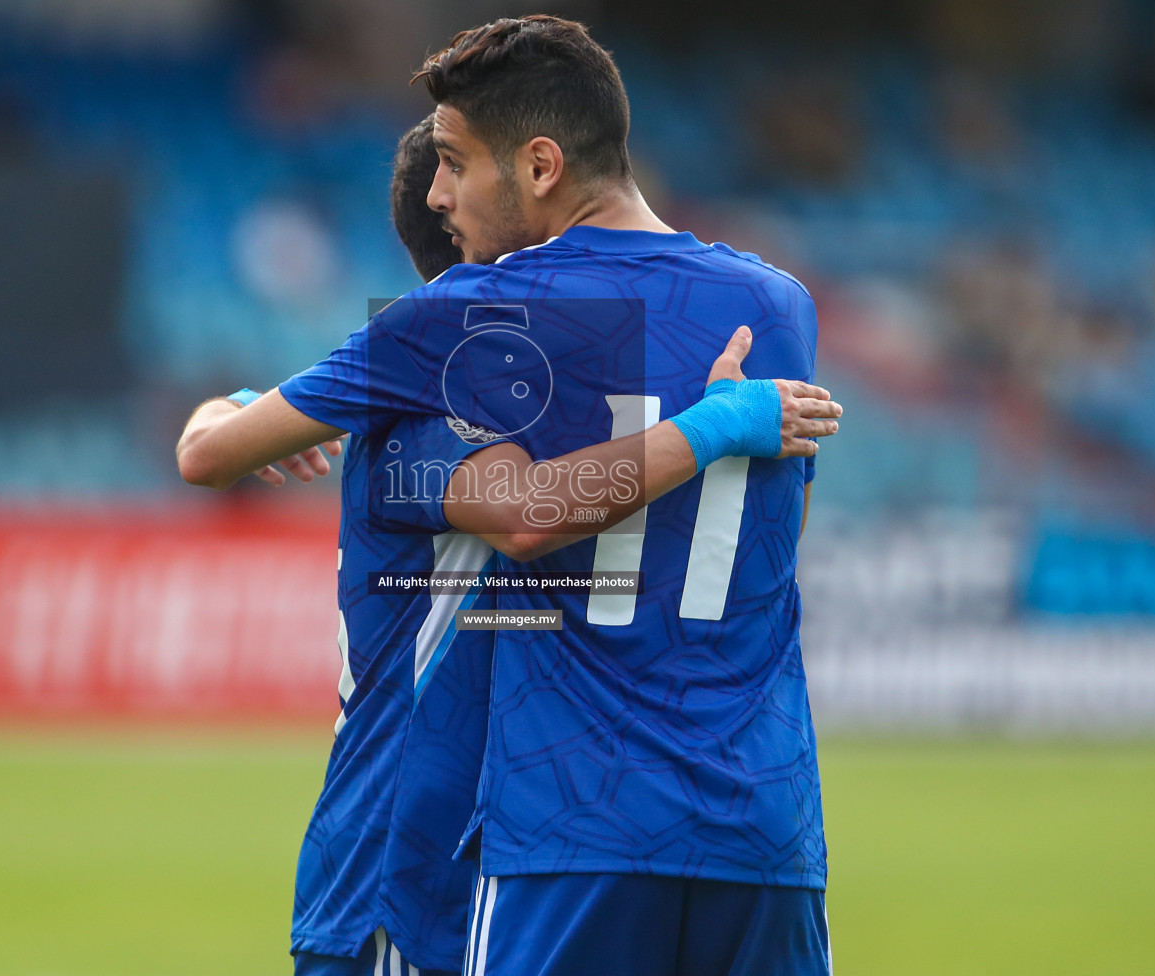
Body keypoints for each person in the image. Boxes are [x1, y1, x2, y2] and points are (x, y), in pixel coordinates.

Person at [178, 111, 842, 976]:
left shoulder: (484, 398)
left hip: (492, 853)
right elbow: (533, 509)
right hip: (404, 881)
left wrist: (235, 408)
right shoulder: (432, 424)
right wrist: (716, 423)